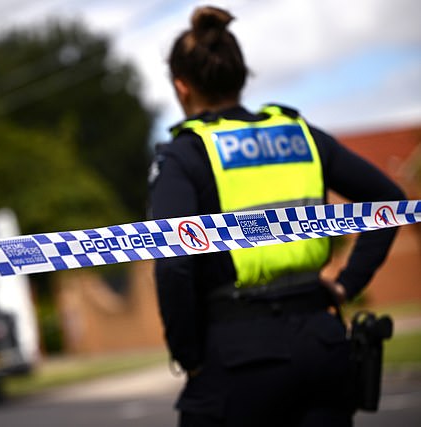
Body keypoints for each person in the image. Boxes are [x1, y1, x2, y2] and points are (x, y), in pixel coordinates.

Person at [149, 5, 406, 427]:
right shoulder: (297, 133)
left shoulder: (184, 155)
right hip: (322, 347)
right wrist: (345, 285)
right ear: (240, 76)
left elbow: (174, 263)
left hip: (238, 358)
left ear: (182, 88)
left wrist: (189, 356)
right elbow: (390, 202)